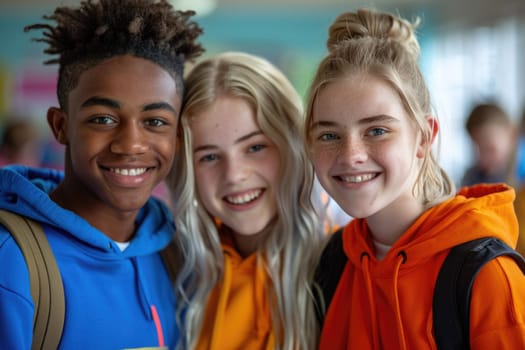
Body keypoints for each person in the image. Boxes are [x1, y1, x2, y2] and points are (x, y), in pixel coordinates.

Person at [304, 8, 525, 349]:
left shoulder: (486, 277)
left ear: (423, 138)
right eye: (329, 135)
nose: (350, 156)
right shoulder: (333, 262)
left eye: (377, 130)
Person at [0, 0, 203, 348]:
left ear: (178, 136)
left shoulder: (176, 255)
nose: (130, 145)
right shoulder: (13, 262)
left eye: (155, 122)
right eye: (103, 119)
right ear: (61, 126)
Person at [168, 51, 324, 349]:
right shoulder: (179, 273)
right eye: (210, 157)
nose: (235, 175)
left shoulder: (340, 267)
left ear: (294, 146)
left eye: (255, 147)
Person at [460, 102, 516, 187]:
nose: (484, 160)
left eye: (491, 150)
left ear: (511, 134)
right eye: (478, 151)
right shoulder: (472, 177)